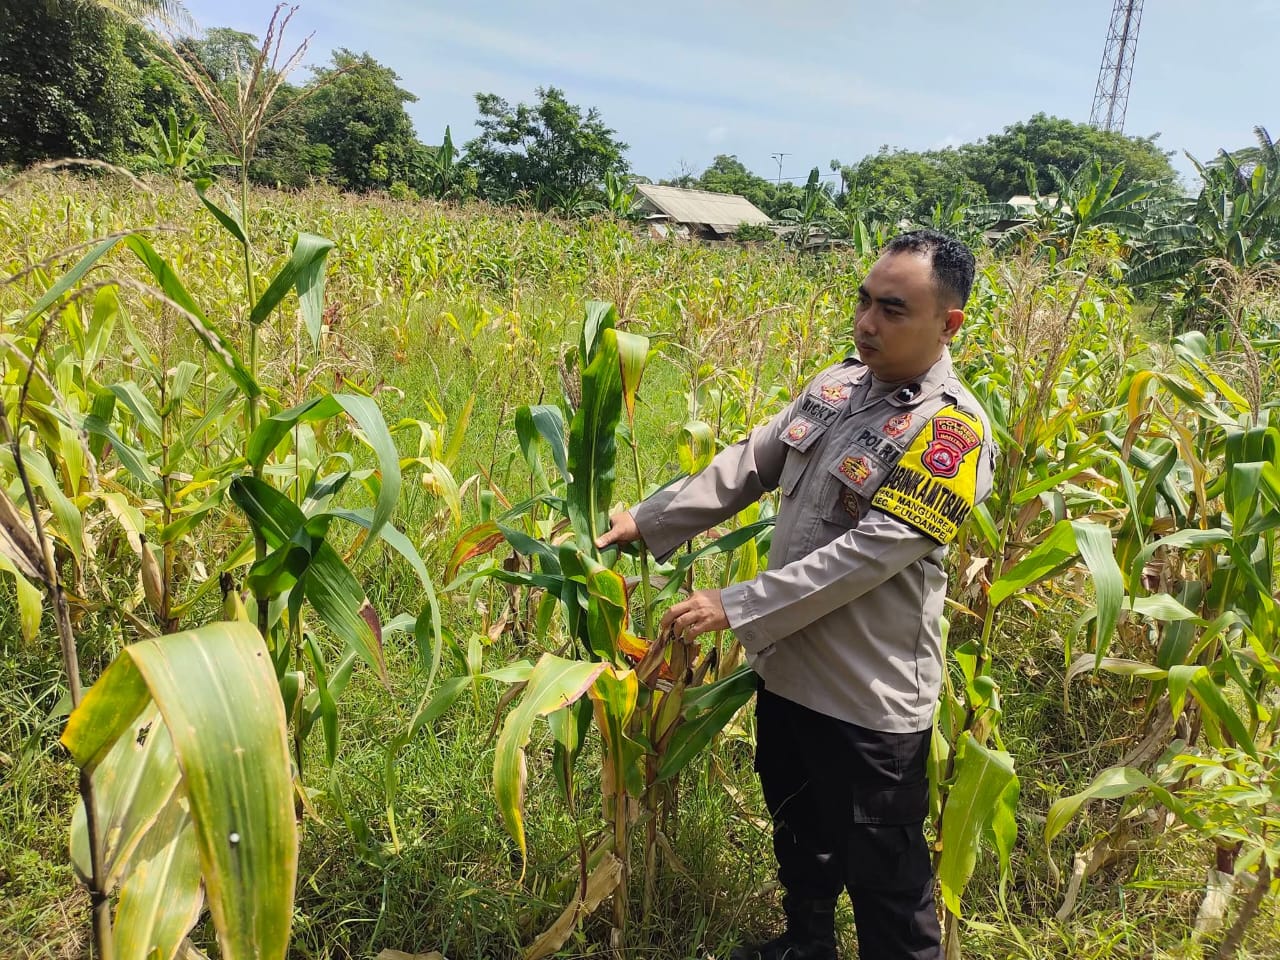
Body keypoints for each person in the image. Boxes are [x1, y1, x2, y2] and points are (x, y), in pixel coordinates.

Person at [594, 230, 995, 960]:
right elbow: (751, 462)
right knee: (801, 835)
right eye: (864, 302)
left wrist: (736, 605)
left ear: (949, 324)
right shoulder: (837, 387)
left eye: (893, 310)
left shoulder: (951, 434)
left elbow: (869, 555)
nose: (866, 323)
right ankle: (807, 946)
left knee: (887, 883)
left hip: (866, 699)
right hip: (789, 673)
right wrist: (649, 520)